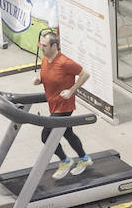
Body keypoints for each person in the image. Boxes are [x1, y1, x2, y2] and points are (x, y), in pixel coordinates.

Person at [30, 30, 91, 180]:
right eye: (40, 44)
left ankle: (65, 161)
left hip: (64, 106)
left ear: (54, 46)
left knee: (46, 136)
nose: (41, 47)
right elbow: (49, 76)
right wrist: (40, 80)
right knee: (68, 133)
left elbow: (85, 74)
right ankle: (84, 159)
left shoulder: (64, 62)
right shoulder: (45, 60)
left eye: (44, 45)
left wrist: (71, 91)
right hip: (53, 104)